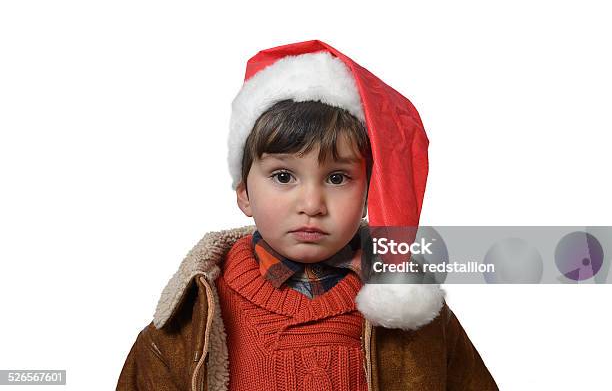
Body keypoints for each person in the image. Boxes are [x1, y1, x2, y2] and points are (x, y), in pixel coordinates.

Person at [117, 40, 498, 390]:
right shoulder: (197, 308)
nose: (312, 203)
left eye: (337, 177)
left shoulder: (411, 305)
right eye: (284, 176)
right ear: (244, 194)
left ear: (369, 194)